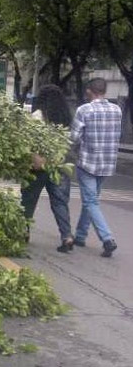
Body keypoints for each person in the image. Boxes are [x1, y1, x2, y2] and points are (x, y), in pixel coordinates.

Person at [71, 78, 121, 258]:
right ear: (105, 91)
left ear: (89, 91)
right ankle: (80, 236)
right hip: (107, 163)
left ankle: (107, 239)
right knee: (90, 200)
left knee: (90, 202)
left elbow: (74, 137)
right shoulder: (117, 110)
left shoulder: (84, 110)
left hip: (88, 162)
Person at [22, 85, 74, 253]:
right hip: (59, 164)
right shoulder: (66, 118)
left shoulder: (37, 116)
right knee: (60, 202)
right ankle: (67, 236)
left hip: (38, 166)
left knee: (28, 200)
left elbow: (28, 139)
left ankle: (23, 232)